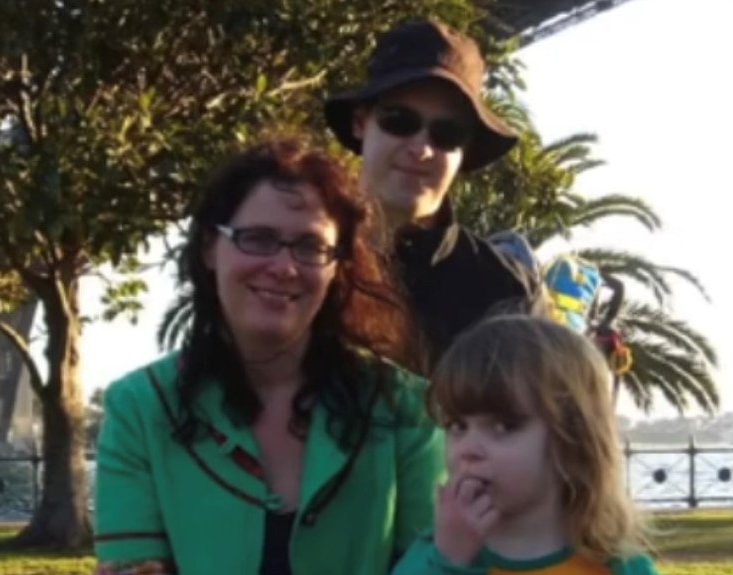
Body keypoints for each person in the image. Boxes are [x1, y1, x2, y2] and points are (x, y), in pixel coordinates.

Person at [94, 138, 445, 575]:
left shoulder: (406, 410)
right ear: (208, 247)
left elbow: (439, 563)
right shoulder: (140, 409)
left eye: (310, 247)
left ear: (337, 266)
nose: (283, 267)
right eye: (257, 239)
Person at [324, 19, 547, 365]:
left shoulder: (506, 294)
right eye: (400, 121)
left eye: (447, 134)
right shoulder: (299, 256)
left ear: (466, 150)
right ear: (359, 122)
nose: (422, 149)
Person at [392, 315, 659, 575]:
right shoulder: (434, 557)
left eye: (504, 426)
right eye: (457, 426)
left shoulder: (619, 566)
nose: (468, 449)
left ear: (573, 437)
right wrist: (447, 562)